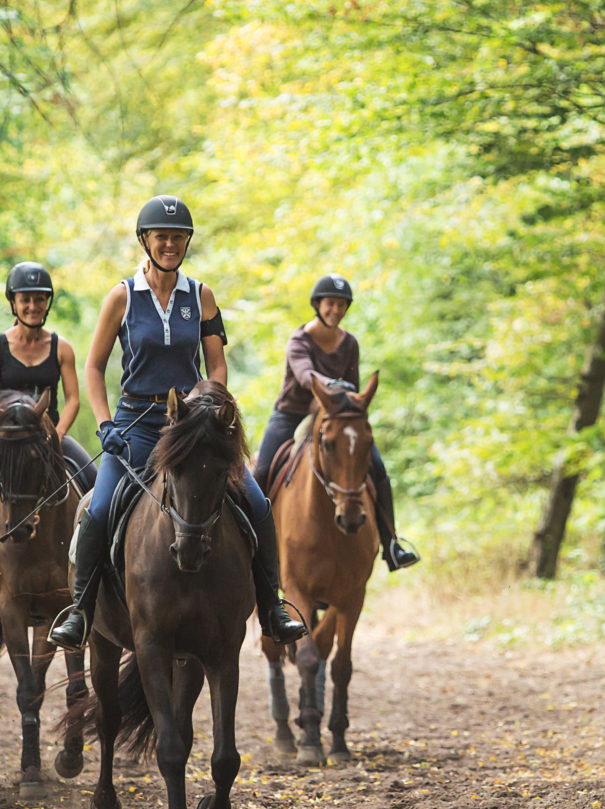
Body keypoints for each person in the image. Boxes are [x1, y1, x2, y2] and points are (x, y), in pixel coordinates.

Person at [48, 195, 306, 650]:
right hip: (136, 422)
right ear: (145, 240)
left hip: (192, 426)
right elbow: (93, 368)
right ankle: (81, 612)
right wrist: (106, 424)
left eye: (178, 237)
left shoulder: (200, 295)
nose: (170, 244)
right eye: (162, 237)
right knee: (98, 509)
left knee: (257, 503)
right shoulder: (122, 296)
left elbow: (217, 365)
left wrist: (209, 404)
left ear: (187, 242)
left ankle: (272, 607)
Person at [253, 273, 419, 572]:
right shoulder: (299, 340)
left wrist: (349, 400)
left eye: (342, 306)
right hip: (292, 414)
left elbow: (353, 390)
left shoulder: (349, 343)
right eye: (330, 304)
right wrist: (335, 386)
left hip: (338, 417)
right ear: (318, 305)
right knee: (262, 470)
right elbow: (306, 376)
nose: (336, 310)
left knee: (377, 468)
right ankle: (251, 547)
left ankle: (391, 543)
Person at [0, 262, 96, 489]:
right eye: (25, 300)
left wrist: (57, 435)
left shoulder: (61, 348)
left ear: (47, 303)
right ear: (13, 303)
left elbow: (73, 400)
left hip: (48, 433)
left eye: (39, 299)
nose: (32, 306)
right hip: (3, 435)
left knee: (94, 481)